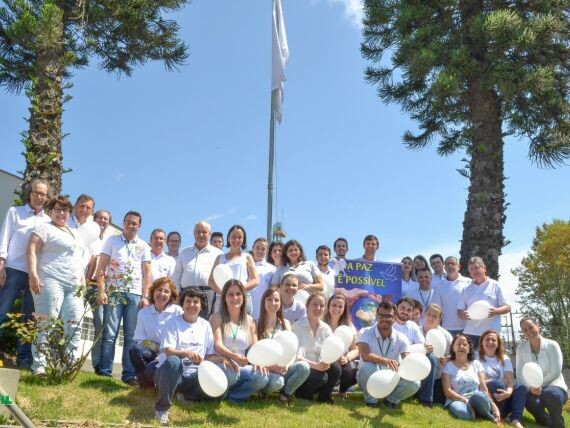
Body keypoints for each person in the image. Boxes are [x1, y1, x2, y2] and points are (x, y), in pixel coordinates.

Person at [153, 287, 231, 425]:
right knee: (173, 361)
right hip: (171, 373)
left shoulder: (206, 326)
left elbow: (208, 356)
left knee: (220, 387)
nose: (191, 305)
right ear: (182, 304)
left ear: (201, 306)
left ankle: (186, 395)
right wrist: (186, 353)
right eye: (188, 301)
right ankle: (162, 408)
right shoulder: (172, 323)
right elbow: (168, 351)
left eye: (196, 302)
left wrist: (222, 359)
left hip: (194, 376)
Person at [26, 196, 85, 376]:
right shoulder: (45, 227)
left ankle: (68, 367)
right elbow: (31, 249)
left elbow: (77, 258)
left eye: (65, 210)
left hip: (74, 286)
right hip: (51, 280)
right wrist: (33, 274)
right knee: (47, 322)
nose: (62, 213)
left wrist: (82, 279)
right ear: (50, 211)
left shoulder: (72, 231)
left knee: (74, 324)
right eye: (58, 209)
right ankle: (39, 367)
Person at [96, 211, 152, 385]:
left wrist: (145, 296)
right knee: (110, 333)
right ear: (123, 223)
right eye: (128, 222)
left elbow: (147, 273)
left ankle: (128, 375)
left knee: (130, 337)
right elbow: (101, 267)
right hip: (113, 292)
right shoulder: (112, 240)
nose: (130, 225)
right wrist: (102, 291)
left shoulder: (143, 245)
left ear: (139, 226)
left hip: (134, 294)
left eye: (134, 223)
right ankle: (105, 371)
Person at [0, 179, 51, 368]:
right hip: (13, 269)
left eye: (43, 194)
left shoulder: (49, 220)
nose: (39, 197)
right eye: (37, 192)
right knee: (2, 311)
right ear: (29, 194)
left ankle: (24, 358)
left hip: (34, 274)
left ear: (47, 197)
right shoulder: (16, 212)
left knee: (29, 317)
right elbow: (4, 237)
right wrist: (1, 265)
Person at [210, 279, 268, 404]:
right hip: (222, 363)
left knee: (262, 377)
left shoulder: (251, 321)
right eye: (230, 294)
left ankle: (234, 396)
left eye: (238, 294)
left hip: (240, 367)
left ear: (243, 297)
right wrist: (233, 357)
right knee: (231, 374)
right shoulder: (216, 317)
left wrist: (259, 362)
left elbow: (255, 347)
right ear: (224, 298)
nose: (235, 297)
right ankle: (219, 393)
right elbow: (218, 345)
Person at [356, 301, 420, 408]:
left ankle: (391, 400)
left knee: (415, 382)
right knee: (368, 367)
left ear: (395, 318)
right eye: (382, 315)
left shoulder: (401, 337)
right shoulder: (364, 332)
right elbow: (365, 356)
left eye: (389, 316)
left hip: (391, 379)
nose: (385, 319)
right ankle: (370, 398)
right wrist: (386, 361)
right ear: (376, 317)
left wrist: (410, 366)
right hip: (369, 376)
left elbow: (406, 358)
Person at [257, 287, 310, 405]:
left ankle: (285, 394)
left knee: (304, 367)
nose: (273, 303)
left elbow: (292, 349)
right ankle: (264, 391)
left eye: (276, 300)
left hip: (283, 368)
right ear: (263, 302)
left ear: (280, 303)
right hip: (266, 370)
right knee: (278, 382)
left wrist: (287, 364)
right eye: (269, 300)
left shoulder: (285, 323)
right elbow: (254, 354)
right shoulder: (255, 323)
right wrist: (271, 367)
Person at [129, 277, 183, 388]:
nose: (162, 294)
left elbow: (182, 337)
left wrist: (165, 353)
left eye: (166, 291)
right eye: (159, 289)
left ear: (171, 295)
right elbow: (140, 340)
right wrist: (159, 349)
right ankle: (146, 384)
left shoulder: (178, 312)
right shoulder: (143, 313)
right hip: (153, 352)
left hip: (173, 353)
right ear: (153, 291)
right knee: (134, 349)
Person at [517, 317, 568, 428]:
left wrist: (539, 386)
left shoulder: (552, 345)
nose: (529, 331)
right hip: (532, 389)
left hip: (555, 387)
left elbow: (555, 371)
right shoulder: (521, 349)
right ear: (523, 333)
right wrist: (531, 388)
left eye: (531, 327)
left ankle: (557, 424)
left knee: (550, 394)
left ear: (538, 325)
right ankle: (545, 421)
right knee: (531, 402)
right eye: (525, 330)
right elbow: (520, 374)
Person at [292, 292, 341, 403]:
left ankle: (324, 397)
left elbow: (330, 349)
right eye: (314, 304)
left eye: (322, 305)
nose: (318, 308)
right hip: (303, 368)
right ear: (307, 305)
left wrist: (327, 362)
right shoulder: (297, 326)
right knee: (321, 376)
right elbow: (296, 356)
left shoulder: (326, 329)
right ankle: (303, 394)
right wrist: (315, 365)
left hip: (319, 366)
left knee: (336, 368)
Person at [84, 209, 116, 374]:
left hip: (101, 286)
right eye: (100, 218)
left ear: (109, 223)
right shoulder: (85, 234)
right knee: (72, 319)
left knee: (101, 325)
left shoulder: (110, 241)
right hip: (84, 284)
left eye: (106, 219)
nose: (102, 221)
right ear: (93, 219)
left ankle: (97, 363)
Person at [442, 334, 500, 422]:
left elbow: (483, 388)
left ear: (469, 349)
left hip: (477, 399)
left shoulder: (476, 364)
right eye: (458, 344)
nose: (462, 346)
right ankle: (479, 414)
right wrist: (464, 400)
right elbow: (447, 391)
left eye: (465, 344)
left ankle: (486, 415)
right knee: (461, 411)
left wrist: (493, 406)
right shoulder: (448, 367)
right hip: (458, 400)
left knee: (479, 395)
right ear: (453, 348)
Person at [457, 256, 511, 348]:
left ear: (484, 268)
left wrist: (496, 311)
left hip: (490, 335)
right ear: (469, 272)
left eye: (477, 268)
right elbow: (459, 311)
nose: (475, 271)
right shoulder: (466, 290)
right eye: (472, 269)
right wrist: (463, 314)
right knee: (472, 362)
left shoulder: (495, 285)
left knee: (491, 361)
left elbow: (508, 307)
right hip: (470, 334)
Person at [478, 329, 527, 428]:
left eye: (493, 340)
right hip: (488, 398)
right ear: (482, 342)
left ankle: (515, 419)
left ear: (498, 344)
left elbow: (510, 381)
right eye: (487, 339)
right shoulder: (476, 358)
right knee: (496, 384)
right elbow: (479, 382)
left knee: (521, 387)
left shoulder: (504, 358)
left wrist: (508, 393)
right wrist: (495, 381)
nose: (490, 342)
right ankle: (498, 414)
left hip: (504, 396)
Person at [172, 221, 221, 316]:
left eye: (204, 232)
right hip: (186, 294)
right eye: (198, 232)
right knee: (185, 324)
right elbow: (176, 276)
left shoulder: (218, 254)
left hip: (208, 295)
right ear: (194, 233)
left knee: (205, 324)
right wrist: (177, 295)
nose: (201, 234)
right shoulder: (184, 252)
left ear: (210, 234)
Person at [209, 225, 258, 315]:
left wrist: (239, 290)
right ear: (228, 238)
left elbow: (255, 280)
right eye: (233, 237)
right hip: (222, 300)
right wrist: (224, 293)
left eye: (239, 237)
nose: (236, 240)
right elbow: (211, 281)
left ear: (243, 240)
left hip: (242, 299)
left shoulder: (247, 257)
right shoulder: (219, 258)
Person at [323, 294, 358, 398]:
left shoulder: (348, 325)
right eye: (334, 305)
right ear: (328, 306)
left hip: (342, 358)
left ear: (344, 308)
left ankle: (342, 390)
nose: (337, 309)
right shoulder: (321, 322)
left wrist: (347, 358)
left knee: (352, 372)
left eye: (340, 306)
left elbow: (355, 349)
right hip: (323, 358)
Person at [420, 304, 453, 405]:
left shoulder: (446, 336)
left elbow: (455, 356)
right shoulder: (416, 331)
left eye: (435, 316)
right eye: (429, 314)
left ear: (439, 319)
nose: (430, 318)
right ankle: (426, 400)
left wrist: (448, 359)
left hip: (438, 377)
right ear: (424, 315)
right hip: (418, 373)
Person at [432, 256, 470, 337]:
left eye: (453, 264)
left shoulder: (469, 282)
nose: (450, 266)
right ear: (444, 267)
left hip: (467, 328)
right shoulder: (438, 287)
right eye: (447, 264)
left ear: (458, 266)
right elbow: (436, 309)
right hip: (447, 329)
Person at [250, 238, 276, 320]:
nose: (260, 251)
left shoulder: (272, 269)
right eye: (257, 248)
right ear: (253, 248)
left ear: (267, 251)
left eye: (263, 249)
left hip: (264, 310)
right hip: (247, 306)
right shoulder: (245, 265)